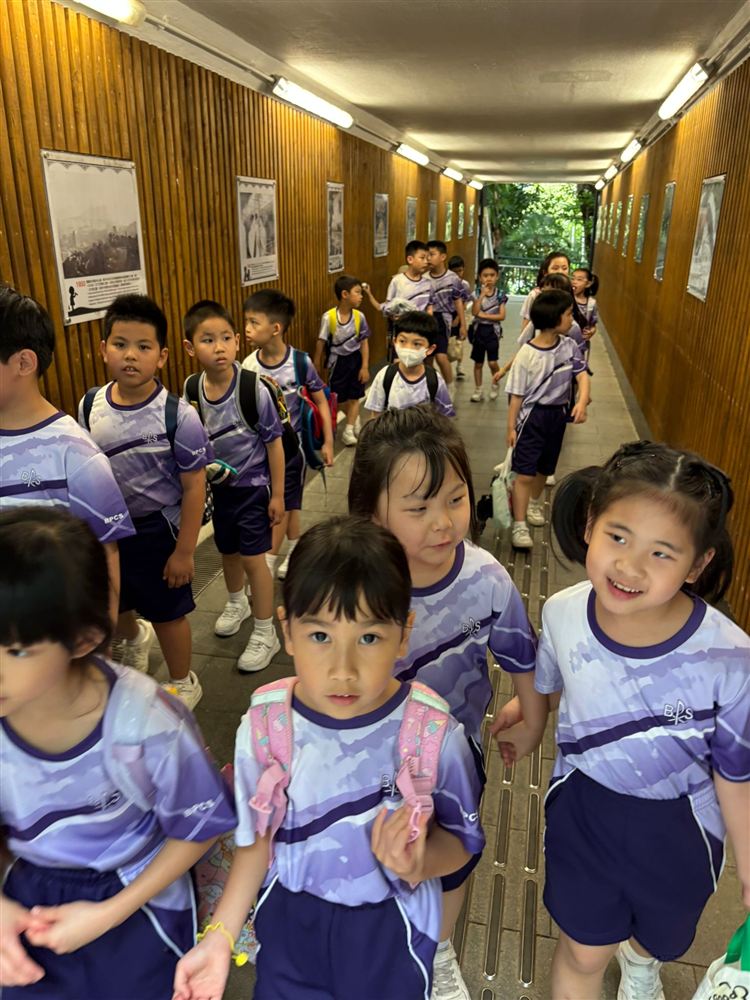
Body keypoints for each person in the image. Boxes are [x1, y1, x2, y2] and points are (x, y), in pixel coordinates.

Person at [172, 516, 485, 1000]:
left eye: (369, 638)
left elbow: (463, 843)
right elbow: (256, 844)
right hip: (289, 925)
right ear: (287, 630)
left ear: (404, 633)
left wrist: (419, 862)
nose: (343, 670)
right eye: (320, 636)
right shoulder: (265, 727)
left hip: (393, 931)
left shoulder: (431, 735)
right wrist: (219, 937)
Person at [494, 441, 750, 1000]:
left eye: (662, 553)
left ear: (698, 564)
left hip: (682, 830)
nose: (630, 566)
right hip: (584, 810)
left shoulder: (730, 656)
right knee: (582, 951)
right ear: (590, 523)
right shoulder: (563, 612)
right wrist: (529, 717)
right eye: (618, 536)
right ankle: (606, 958)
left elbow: (734, 772)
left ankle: (640, 960)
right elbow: (553, 682)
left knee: (661, 938)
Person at [0, 507, 237, 1000]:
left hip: (138, 903)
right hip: (27, 902)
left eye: (16, 650)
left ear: (83, 639)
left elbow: (200, 828)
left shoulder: (146, 723)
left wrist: (108, 913)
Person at [348, 406, 543, 1000]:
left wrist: (532, 718)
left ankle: (437, 948)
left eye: (455, 500)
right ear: (371, 513)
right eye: (418, 508)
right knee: (371, 858)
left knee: (451, 860)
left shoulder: (486, 580)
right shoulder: (351, 584)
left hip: (453, 763)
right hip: (360, 765)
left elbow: (520, 656)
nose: (443, 523)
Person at [80, 294, 211, 708]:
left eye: (143, 346)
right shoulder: (90, 405)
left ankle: (183, 681)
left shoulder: (179, 416)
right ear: (104, 349)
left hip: (159, 530)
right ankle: (135, 638)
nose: (130, 355)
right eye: (120, 344)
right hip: (110, 530)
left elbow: (195, 487)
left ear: (162, 356)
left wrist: (185, 552)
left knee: (168, 612)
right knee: (117, 603)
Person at [0, 285, 134, 626]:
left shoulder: (75, 455)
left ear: (23, 362)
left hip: (48, 634)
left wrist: (99, 640)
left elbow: (105, 556)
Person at [181, 296, 285, 674]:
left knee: (254, 559)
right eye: (208, 340)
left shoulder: (253, 389)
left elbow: (274, 445)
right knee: (227, 552)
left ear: (238, 341)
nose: (219, 347)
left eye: (226, 338)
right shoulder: (192, 389)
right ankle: (237, 603)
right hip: (220, 490)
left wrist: (279, 496)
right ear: (190, 348)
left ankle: (265, 631)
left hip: (254, 489)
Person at [244, 289, 334, 575]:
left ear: (276, 328)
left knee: (281, 503)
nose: (246, 329)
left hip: (292, 452)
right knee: (289, 502)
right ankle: (295, 549)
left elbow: (321, 400)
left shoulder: (300, 362)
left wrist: (328, 441)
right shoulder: (248, 366)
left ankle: (268, 562)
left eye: (254, 322)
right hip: (262, 453)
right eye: (246, 321)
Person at [502, 289, 590, 550]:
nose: (572, 319)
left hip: (557, 416)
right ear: (553, 318)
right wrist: (511, 427)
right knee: (525, 472)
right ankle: (519, 525)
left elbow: (582, 375)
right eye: (568, 314)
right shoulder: (526, 354)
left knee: (544, 468)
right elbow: (516, 396)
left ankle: (532, 503)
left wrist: (582, 401)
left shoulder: (569, 346)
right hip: (532, 417)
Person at [314, 274, 370, 447]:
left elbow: (364, 343)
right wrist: (316, 364)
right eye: (357, 292)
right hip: (337, 362)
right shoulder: (329, 317)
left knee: (355, 396)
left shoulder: (360, 317)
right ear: (345, 294)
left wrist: (364, 366)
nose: (361, 296)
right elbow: (321, 342)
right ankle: (353, 418)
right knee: (337, 398)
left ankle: (348, 431)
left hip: (355, 360)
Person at [364, 312, 454, 418]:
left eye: (416, 344)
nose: (408, 348)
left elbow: (444, 418)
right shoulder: (385, 376)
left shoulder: (434, 380)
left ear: (430, 349)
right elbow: (375, 416)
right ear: (394, 342)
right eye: (402, 341)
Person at [426, 240, 469, 396]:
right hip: (426, 319)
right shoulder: (424, 278)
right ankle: (430, 389)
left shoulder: (453, 279)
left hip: (443, 319)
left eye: (432, 254)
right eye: (426, 255)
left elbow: (459, 302)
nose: (428, 258)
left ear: (443, 257)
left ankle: (450, 387)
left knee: (441, 355)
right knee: (427, 358)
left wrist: (463, 324)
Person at [364, 240, 436, 316]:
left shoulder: (428, 283)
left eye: (427, 259)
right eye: (422, 258)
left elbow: (430, 306)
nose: (426, 262)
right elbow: (389, 307)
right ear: (410, 259)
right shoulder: (397, 281)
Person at [470, 258, 507, 402]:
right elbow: (474, 312)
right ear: (480, 277)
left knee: (492, 362)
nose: (489, 278)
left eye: (492, 275)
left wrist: (484, 315)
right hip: (478, 331)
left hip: (493, 332)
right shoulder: (476, 293)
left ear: (497, 276)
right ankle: (478, 389)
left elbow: (502, 316)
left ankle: (495, 382)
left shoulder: (500, 295)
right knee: (478, 363)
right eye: (485, 275)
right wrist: (481, 296)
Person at [518, 250, 570, 337]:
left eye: (564, 268)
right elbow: (526, 321)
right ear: (545, 272)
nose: (560, 272)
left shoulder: (571, 293)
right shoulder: (535, 295)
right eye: (555, 268)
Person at [448, 255, 472, 380]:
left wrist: (459, 318)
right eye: (454, 271)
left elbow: (464, 303)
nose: (458, 274)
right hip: (448, 314)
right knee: (448, 342)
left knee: (459, 341)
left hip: (460, 314)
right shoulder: (446, 284)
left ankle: (459, 366)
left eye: (460, 271)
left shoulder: (465, 285)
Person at [571, 267, 599, 365]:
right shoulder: (567, 298)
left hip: (580, 344)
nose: (574, 282)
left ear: (588, 284)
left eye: (579, 279)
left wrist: (591, 332)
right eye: (573, 278)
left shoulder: (591, 303)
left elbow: (593, 325)